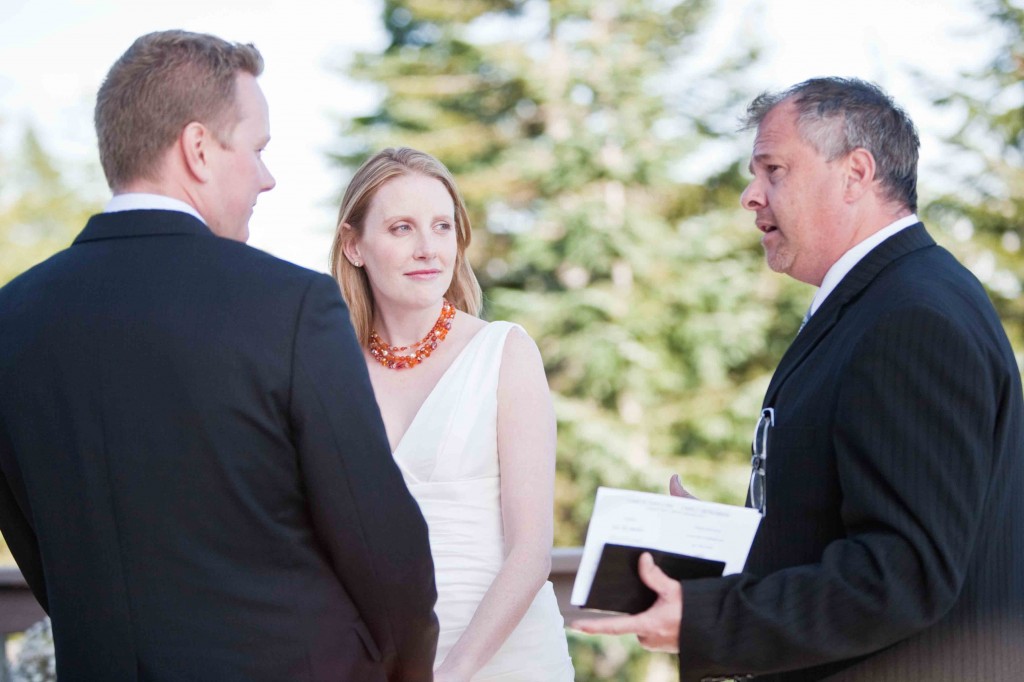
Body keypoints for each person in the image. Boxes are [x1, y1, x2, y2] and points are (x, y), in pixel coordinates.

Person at [0, 30, 438, 681]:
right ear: (199, 149)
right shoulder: (292, 306)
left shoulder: (12, 319)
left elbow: (40, 552)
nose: (267, 177)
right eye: (257, 149)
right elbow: (384, 554)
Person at [574, 77, 1024, 681]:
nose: (750, 196)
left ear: (856, 174)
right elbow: (845, 527)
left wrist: (707, 619)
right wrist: (724, 546)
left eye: (773, 169)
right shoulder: (885, 301)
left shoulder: (910, 318)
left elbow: (905, 572)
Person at [330, 147, 575, 681]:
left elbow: (531, 552)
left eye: (442, 226)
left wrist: (449, 672)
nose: (428, 248)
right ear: (354, 245)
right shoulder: (328, 370)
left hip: (500, 658)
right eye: (401, 228)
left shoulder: (504, 352)